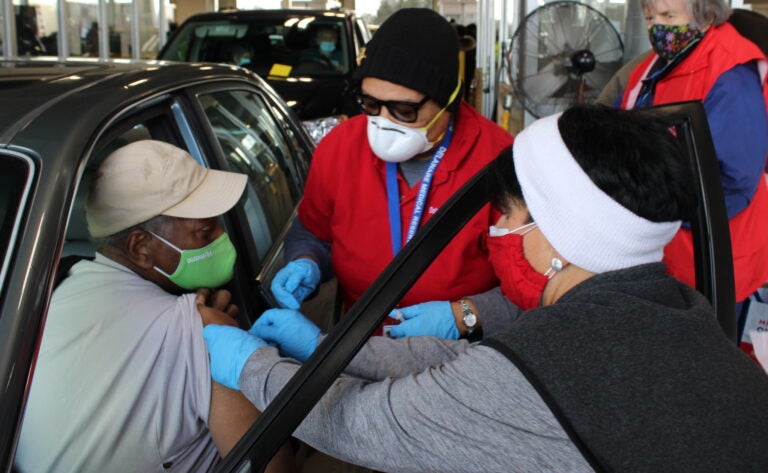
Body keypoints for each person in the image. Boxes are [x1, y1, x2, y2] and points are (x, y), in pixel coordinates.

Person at [201, 105, 768, 472]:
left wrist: (252, 363)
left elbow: (362, 423)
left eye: (506, 213)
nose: (496, 230)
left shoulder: (547, 372)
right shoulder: (682, 312)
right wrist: (322, 348)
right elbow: (459, 366)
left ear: (556, 237)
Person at [15, 141, 296, 473]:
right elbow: (272, 465)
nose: (223, 237)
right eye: (205, 232)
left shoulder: (52, 293)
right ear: (141, 248)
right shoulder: (205, 330)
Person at [271, 9, 514, 336]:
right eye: (370, 104)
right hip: (358, 345)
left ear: (448, 101)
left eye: (404, 110)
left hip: (460, 353)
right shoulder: (339, 148)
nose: (384, 122)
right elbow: (314, 229)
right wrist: (306, 259)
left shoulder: (501, 162)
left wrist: (466, 315)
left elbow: (537, 284)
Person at [616, 0, 768, 325]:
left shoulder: (731, 74)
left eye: (669, 16)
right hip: (660, 245)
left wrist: (660, 212)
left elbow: (734, 180)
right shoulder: (655, 66)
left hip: (711, 251)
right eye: (649, 17)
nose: (658, 27)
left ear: (706, 14)